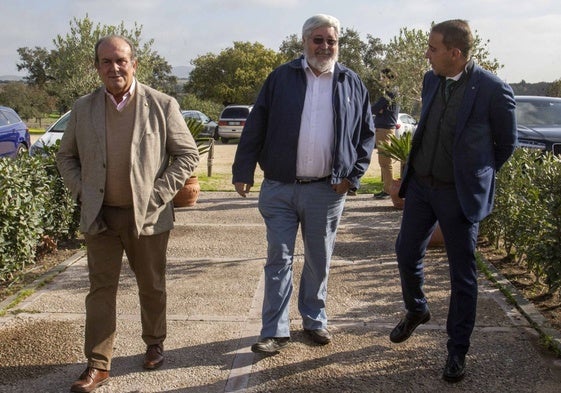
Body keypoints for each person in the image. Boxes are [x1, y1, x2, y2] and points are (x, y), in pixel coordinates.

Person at [56, 35, 200, 393]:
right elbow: (66, 157)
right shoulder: (83, 108)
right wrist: (82, 190)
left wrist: (158, 194)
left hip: (148, 217)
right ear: (97, 68)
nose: (114, 68)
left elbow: (187, 155)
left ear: (134, 64)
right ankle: (98, 364)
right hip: (100, 217)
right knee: (100, 290)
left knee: (151, 285)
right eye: (106, 62)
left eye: (121, 60)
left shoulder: (162, 104)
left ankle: (154, 341)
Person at [232, 14, 375, 354]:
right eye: (318, 40)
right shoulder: (281, 78)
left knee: (318, 259)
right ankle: (274, 331)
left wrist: (352, 177)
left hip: (327, 190)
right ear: (305, 42)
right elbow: (256, 125)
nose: (325, 46)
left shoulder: (351, 83)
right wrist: (243, 169)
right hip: (280, 187)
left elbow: (366, 136)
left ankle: (314, 320)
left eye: (331, 41)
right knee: (278, 258)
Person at [389, 20, 517, 383]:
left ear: (454, 53)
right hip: (421, 189)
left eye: (432, 48)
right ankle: (417, 309)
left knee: (462, 276)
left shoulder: (494, 90)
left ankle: (457, 350)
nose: (427, 54)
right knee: (405, 251)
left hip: (458, 194)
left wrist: (474, 176)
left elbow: (504, 146)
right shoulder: (432, 80)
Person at [372, 68, 400, 199]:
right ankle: (387, 188)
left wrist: (379, 110)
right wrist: (379, 110)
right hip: (383, 129)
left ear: (389, 78)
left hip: (385, 129)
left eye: (383, 77)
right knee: (383, 161)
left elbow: (375, 108)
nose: (381, 80)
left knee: (385, 161)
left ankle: (389, 190)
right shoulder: (390, 93)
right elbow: (378, 109)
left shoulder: (391, 93)